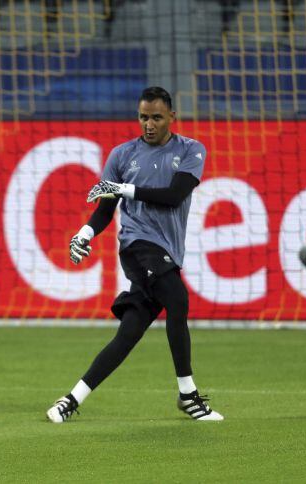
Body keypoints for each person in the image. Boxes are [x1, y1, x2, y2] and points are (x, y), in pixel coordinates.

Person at [46, 86, 223, 423]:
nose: (149, 124)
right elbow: (104, 210)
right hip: (138, 246)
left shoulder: (191, 150)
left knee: (130, 332)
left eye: (156, 117)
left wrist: (124, 189)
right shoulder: (121, 155)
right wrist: (84, 233)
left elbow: (174, 195)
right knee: (179, 300)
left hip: (167, 250)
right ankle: (188, 395)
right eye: (143, 117)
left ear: (172, 116)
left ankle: (71, 399)